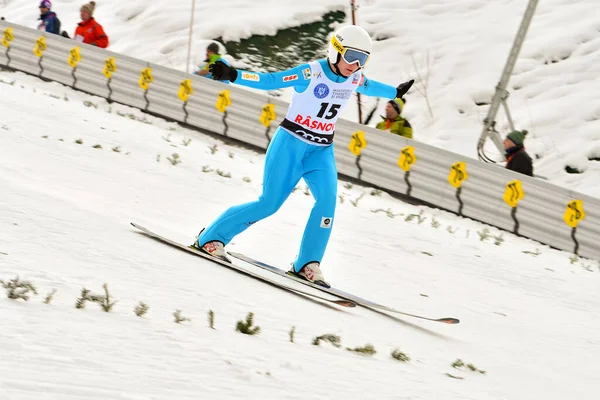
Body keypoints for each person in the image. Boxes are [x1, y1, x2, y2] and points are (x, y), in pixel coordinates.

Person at [192, 25, 414, 287]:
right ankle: (211, 238)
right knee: (269, 204)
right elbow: (271, 80)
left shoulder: (354, 77)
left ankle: (308, 263)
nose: (355, 64)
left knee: (327, 203)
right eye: (351, 56)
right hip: (291, 144)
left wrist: (395, 93)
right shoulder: (312, 72)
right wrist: (232, 75)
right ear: (336, 50)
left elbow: (369, 86)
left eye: (362, 59)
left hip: (321, 151)